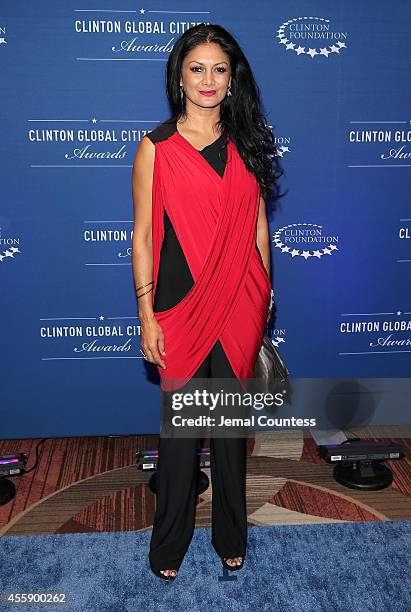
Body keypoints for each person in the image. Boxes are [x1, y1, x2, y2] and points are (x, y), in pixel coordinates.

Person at [131, 23, 280, 580]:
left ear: (233, 78)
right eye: (197, 68)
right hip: (183, 303)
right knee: (179, 439)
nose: (208, 79)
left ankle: (230, 536)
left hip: (242, 299)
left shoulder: (247, 140)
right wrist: (147, 314)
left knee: (230, 435)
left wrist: (266, 290)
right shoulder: (157, 148)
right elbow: (143, 236)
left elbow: (259, 224)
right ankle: (167, 546)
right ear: (180, 76)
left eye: (220, 69)